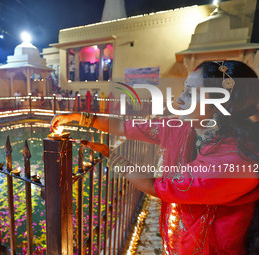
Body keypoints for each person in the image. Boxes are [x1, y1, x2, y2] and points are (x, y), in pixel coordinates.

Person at [50, 60, 259, 254]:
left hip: (214, 245)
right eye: (184, 89)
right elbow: (128, 127)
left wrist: (112, 157)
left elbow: (158, 187)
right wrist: (80, 118)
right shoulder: (186, 127)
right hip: (186, 235)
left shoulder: (234, 161)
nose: (179, 99)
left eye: (190, 93)